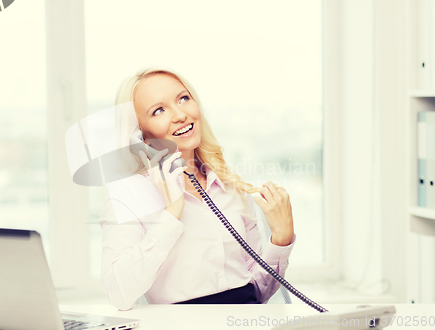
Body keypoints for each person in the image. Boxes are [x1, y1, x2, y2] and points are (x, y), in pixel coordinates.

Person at [99, 67, 296, 311]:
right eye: (158, 110)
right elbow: (118, 294)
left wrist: (281, 239)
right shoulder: (129, 197)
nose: (180, 115)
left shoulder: (230, 188)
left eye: (183, 98)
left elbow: (259, 293)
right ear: (140, 136)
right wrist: (172, 212)